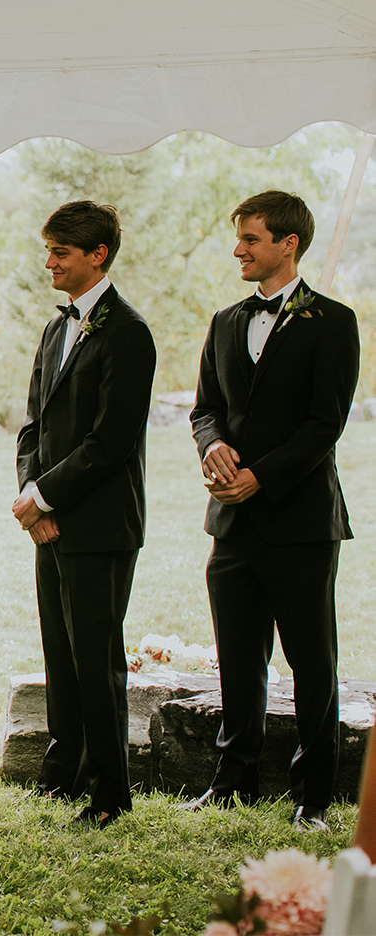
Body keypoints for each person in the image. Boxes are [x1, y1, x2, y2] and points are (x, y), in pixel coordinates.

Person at [180, 190, 360, 832]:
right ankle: (235, 780)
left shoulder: (334, 322)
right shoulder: (226, 320)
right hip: (231, 525)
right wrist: (216, 446)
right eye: (239, 239)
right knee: (236, 655)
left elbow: (323, 425)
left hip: (302, 522)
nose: (238, 250)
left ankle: (314, 793)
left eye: (251, 239)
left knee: (311, 660)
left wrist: (260, 477)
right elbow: (204, 409)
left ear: (289, 243)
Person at [11, 201, 155, 830]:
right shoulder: (54, 328)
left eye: (60, 253)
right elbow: (32, 428)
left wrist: (44, 497)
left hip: (100, 525)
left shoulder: (128, 332)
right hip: (51, 521)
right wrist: (32, 500)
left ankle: (110, 793)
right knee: (59, 654)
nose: (49, 263)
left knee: (96, 658)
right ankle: (62, 768)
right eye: (48, 251)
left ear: (97, 255)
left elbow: (111, 441)